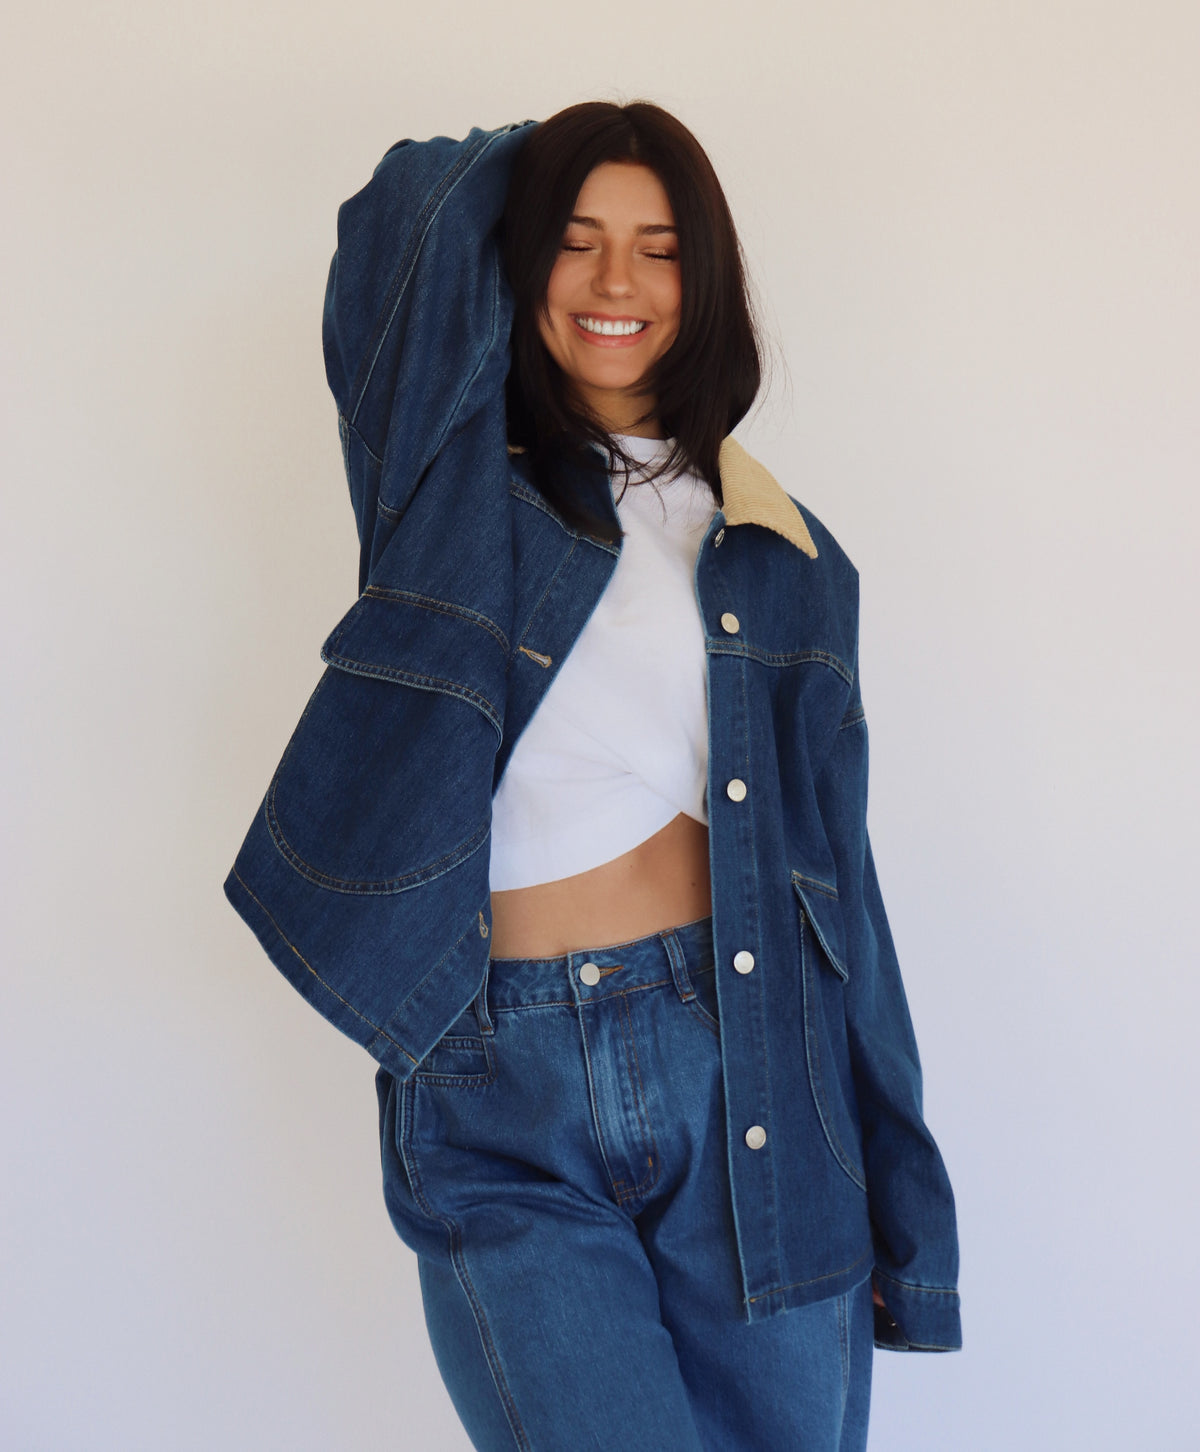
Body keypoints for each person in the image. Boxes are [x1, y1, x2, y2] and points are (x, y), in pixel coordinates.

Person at [225, 101, 961, 1450]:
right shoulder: (442, 484)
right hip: (498, 1080)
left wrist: (910, 1212)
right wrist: (571, 145)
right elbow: (406, 208)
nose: (619, 282)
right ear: (521, 263)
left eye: (661, 247)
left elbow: (841, 896)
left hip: (748, 1071)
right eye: (577, 241)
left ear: (708, 283)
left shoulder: (788, 553)